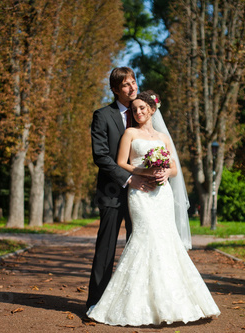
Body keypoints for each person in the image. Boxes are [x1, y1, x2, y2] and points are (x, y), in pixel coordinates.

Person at [86, 91, 220, 326]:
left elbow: (175, 168)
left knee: (166, 242)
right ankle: (135, 305)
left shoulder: (163, 137)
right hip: (140, 194)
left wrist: (166, 171)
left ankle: (171, 302)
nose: (138, 112)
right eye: (135, 109)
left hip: (162, 195)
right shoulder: (130, 133)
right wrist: (143, 171)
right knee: (143, 238)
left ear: (152, 110)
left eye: (142, 108)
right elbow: (121, 163)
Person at [86, 67, 156, 310]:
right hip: (113, 194)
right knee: (106, 249)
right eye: (125, 85)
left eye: (134, 82)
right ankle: (95, 305)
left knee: (137, 250)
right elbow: (101, 156)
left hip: (144, 195)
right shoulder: (102, 116)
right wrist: (128, 179)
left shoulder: (145, 115)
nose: (132, 87)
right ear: (115, 90)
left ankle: (132, 305)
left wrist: (159, 171)